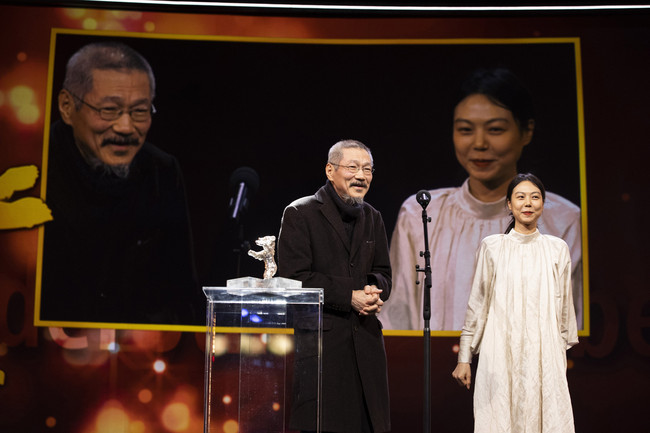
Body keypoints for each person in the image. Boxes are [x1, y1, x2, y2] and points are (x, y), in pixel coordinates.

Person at [381, 67, 582, 331]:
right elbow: (398, 315)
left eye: (495, 129)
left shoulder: (564, 220)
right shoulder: (420, 212)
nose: (479, 143)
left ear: (526, 131)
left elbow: (573, 323)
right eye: (465, 129)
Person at [39, 41, 200, 325]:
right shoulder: (33, 166)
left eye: (140, 111)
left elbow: (182, 293)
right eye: (109, 110)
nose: (126, 127)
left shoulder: (162, 171)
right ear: (67, 107)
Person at [277, 139, 391, 433]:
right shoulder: (301, 213)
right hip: (323, 348)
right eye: (352, 167)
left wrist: (373, 290)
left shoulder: (373, 217)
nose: (361, 176)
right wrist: (348, 296)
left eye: (367, 169)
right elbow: (293, 278)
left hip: (366, 345)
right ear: (330, 170)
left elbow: (383, 273)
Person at [451, 173, 578, 432]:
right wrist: (464, 357)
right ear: (509, 204)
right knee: (499, 419)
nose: (528, 203)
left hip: (544, 353)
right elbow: (478, 304)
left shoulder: (557, 249)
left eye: (535, 197)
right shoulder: (493, 247)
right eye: (520, 197)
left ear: (543, 203)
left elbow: (565, 310)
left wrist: (556, 358)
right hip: (500, 353)